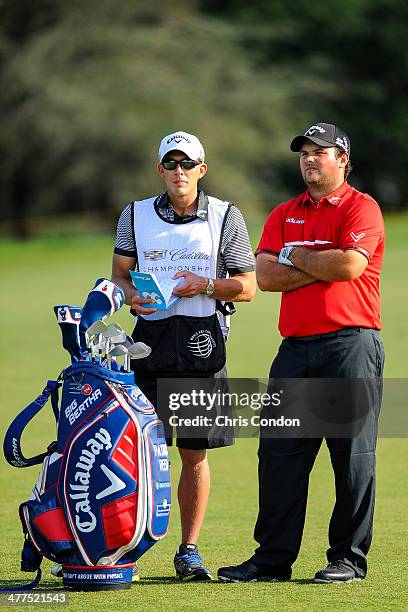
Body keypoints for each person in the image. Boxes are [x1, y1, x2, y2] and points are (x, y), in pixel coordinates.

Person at [218, 122, 385, 584]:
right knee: (279, 455)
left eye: (320, 152)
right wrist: (322, 261)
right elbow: (265, 277)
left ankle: (348, 559)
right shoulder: (283, 213)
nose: (309, 159)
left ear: (342, 159)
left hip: (350, 344)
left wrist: (295, 255)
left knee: (351, 457)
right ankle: (272, 560)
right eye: (304, 153)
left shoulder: (362, 208)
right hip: (294, 350)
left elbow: (352, 265)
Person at [111, 130, 256, 580]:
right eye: (171, 164)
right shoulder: (133, 215)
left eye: (187, 164)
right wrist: (132, 297)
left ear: (202, 169)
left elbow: (247, 286)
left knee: (194, 454)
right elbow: (119, 277)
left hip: (202, 348)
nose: (179, 172)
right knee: (132, 455)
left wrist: (205, 285)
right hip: (147, 345)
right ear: (160, 170)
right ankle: (119, 550)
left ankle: (188, 551)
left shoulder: (225, 216)